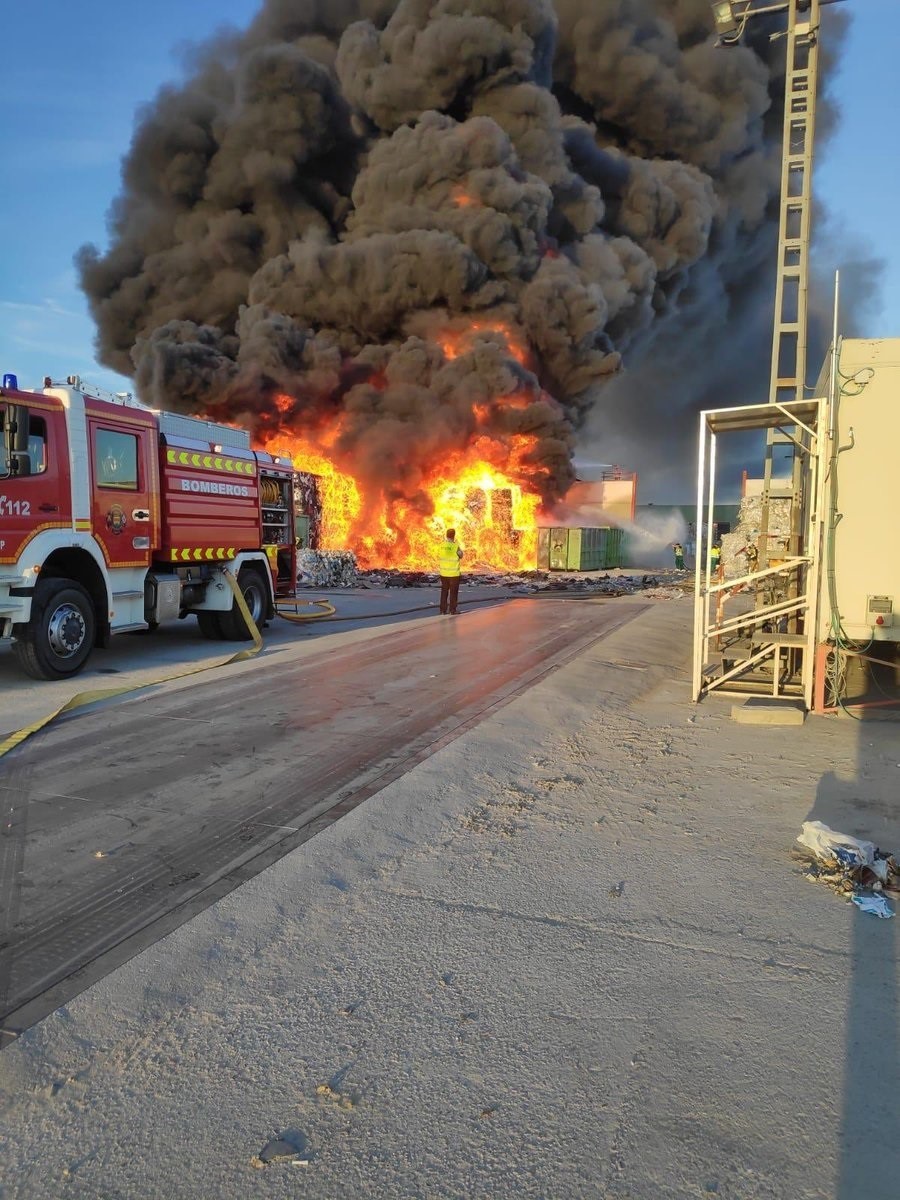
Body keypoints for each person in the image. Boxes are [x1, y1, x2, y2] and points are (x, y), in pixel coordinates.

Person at [438, 527, 464, 614]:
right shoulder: (455, 546)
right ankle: (452, 610)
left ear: (446, 535)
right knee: (453, 592)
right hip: (454, 574)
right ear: (454, 536)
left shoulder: (441, 545)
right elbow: (461, 555)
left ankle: (442, 610)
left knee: (444, 592)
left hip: (443, 573)